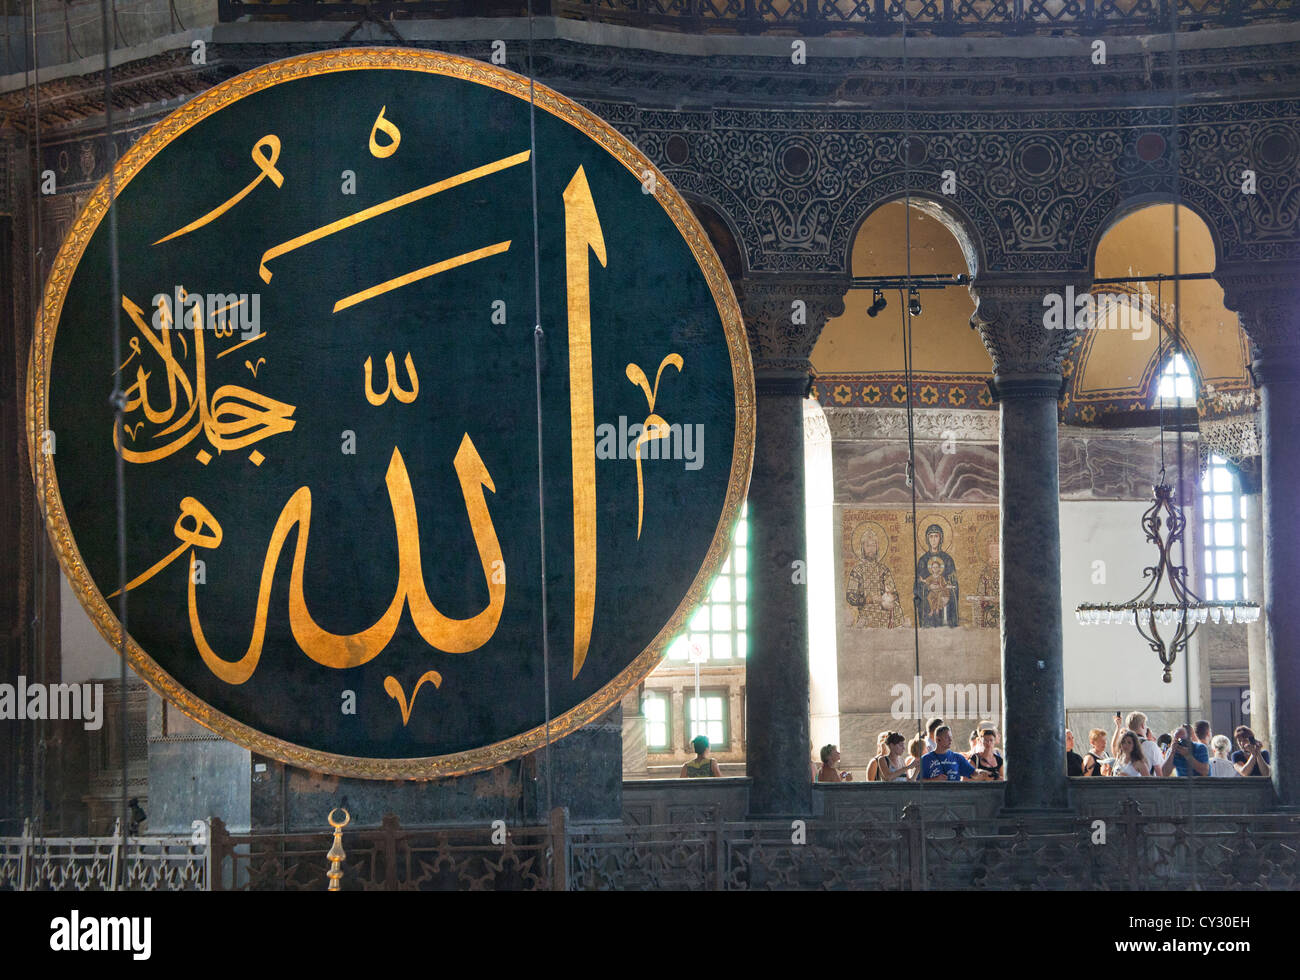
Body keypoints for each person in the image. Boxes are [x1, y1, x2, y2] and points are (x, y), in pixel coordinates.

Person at [914, 525, 959, 627]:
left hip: (944, 597)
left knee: (944, 599)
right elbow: (918, 584)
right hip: (928, 598)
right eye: (931, 537)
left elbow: (954, 583)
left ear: (941, 538)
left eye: (936, 536)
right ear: (927, 539)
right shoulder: (923, 560)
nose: (933, 540)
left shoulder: (947, 560)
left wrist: (944, 588)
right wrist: (928, 587)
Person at [919, 725, 993, 781]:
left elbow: (973, 772)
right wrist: (934, 780)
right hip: (933, 798)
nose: (950, 740)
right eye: (947, 737)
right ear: (938, 740)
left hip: (954, 798)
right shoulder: (926, 759)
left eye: (951, 737)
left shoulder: (958, 758)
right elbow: (918, 782)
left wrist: (983, 772)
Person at [1113, 711, 1163, 776]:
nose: (1126, 745)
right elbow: (1159, 772)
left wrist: (1118, 727)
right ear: (1143, 725)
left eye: (1129, 743)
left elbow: (1114, 747)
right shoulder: (1151, 745)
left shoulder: (1122, 749)